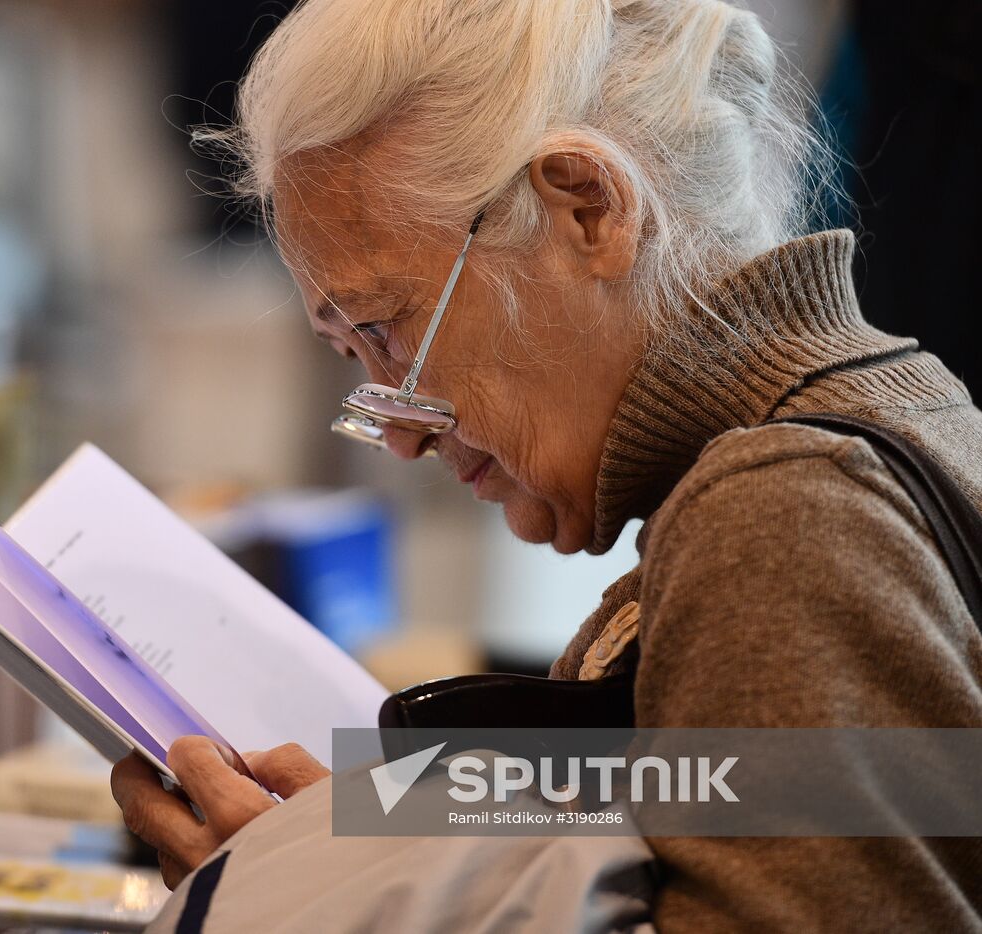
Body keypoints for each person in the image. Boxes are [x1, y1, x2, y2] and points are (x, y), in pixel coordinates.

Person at [110, 0, 982, 929]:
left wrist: (297, 904)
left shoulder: (785, 517)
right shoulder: (878, 422)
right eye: (351, 354)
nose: (400, 435)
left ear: (588, 208)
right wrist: (336, 850)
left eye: (389, 328)